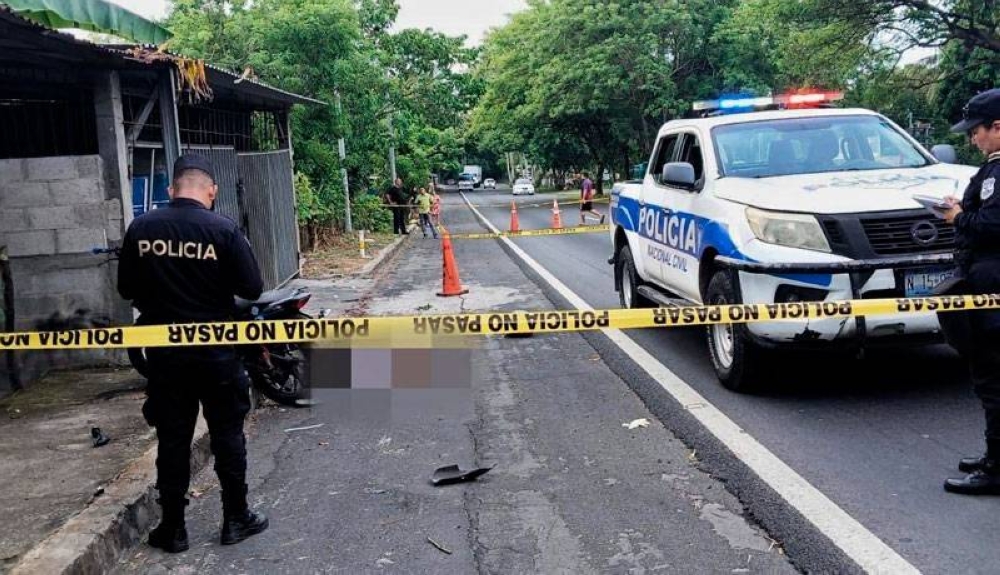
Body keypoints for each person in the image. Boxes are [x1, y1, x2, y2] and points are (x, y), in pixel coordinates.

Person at [117, 154, 269, 552]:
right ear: (212, 191)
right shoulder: (223, 229)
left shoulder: (141, 228)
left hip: (166, 356)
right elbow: (253, 288)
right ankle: (236, 517)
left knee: (173, 440)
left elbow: (127, 289)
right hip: (217, 352)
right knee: (227, 434)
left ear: (172, 189)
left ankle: (173, 528)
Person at [942, 88, 1000, 495]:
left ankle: (995, 470)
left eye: (976, 131)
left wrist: (958, 217)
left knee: (993, 378)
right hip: (988, 280)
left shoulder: (998, 173)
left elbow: (993, 227)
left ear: (997, 127)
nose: (972, 139)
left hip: (993, 285)